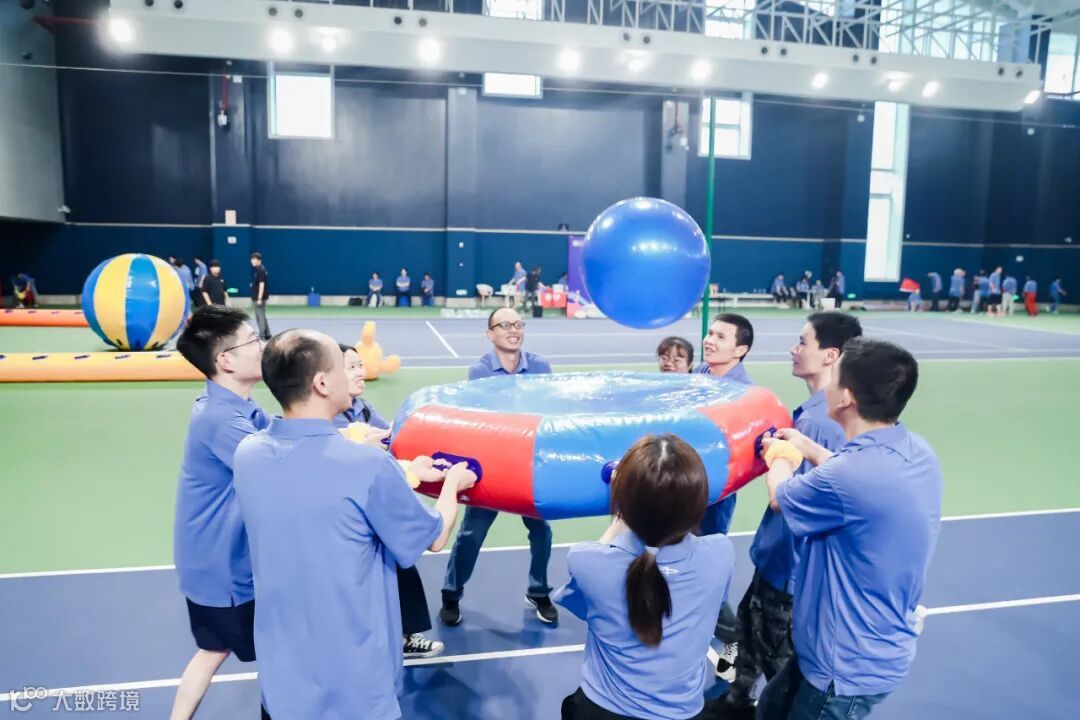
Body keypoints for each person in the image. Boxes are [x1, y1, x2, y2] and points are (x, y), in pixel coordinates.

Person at [234, 330, 475, 720]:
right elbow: (434, 536)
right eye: (342, 365)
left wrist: (403, 468)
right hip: (356, 692)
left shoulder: (248, 454)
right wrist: (453, 485)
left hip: (281, 688)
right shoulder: (367, 467)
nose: (353, 372)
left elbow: (319, 472)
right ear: (322, 382)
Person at [756, 338, 942, 720]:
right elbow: (851, 478)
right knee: (771, 708)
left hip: (842, 668)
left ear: (846, 398)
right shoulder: (916, 451)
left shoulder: (849, 475)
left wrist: (781, 455)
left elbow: (781, 497)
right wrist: (807, 446)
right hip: (854, 648)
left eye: (834, 377)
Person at [721, 312, 862, 718]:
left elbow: (784, 499)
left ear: (830, 354)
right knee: (740, 644)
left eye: (802, 342)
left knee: (780, 669)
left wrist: (776, 456)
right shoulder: (821, 411)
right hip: (773, 564)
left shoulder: (820, 422)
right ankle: (729, 700)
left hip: (788, 575)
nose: (793, 349)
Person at [554, 435, 734, 720]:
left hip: (603, 711)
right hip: (682, 713)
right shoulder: (721, 554)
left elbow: (585, 602)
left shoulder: (586, 562)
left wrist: (623, 506)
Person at [170, 306, 269, 720]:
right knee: (280, 645)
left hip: (215, 560)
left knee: (214, 649)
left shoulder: (238, 406)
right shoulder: (220, 418)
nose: (263, 346)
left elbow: (284, 436)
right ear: (225, 360)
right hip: (222, 567)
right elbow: (282, 466)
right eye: (253, 340)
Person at [440, 307, 558, 626]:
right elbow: (481, 420)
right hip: (491, 465)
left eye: (518, 324)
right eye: (505, 325)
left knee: (542, 531)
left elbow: (549, 411)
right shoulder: (479, 371)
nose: (513, 329)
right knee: (472, 533)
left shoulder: (540, 367)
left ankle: (538, 591)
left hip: (529, 465)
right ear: (490, 334)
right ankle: (451, 593)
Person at [334, 343, 444, 659]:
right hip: (353, 518)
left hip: (378, 512)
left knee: (401, 564)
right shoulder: (331, 422)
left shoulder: (363, 407)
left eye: (360, 365)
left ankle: (405, 636)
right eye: (351, 367)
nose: (361, 371)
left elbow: (392, 436)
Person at [694, 313, 753, 678]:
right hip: (686, 487)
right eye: (710, 333)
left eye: (720, 336)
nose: (710, 340)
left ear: (740, 350)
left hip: (714, 495)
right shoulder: (701, 373)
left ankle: (734, 640)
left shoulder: (743, 393)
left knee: (708, 572)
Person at [249, 253, 270, 341]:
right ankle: (267, 334)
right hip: (258, 297)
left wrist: (259, 298)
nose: (252, 261)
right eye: (252, 259)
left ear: (259, 260)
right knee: (262, 316)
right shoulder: (259, 270)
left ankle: (261, 336)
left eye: (254, 259)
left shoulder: (261, 270)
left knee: (259, 317)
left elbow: (262, 285)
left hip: (259, 298)